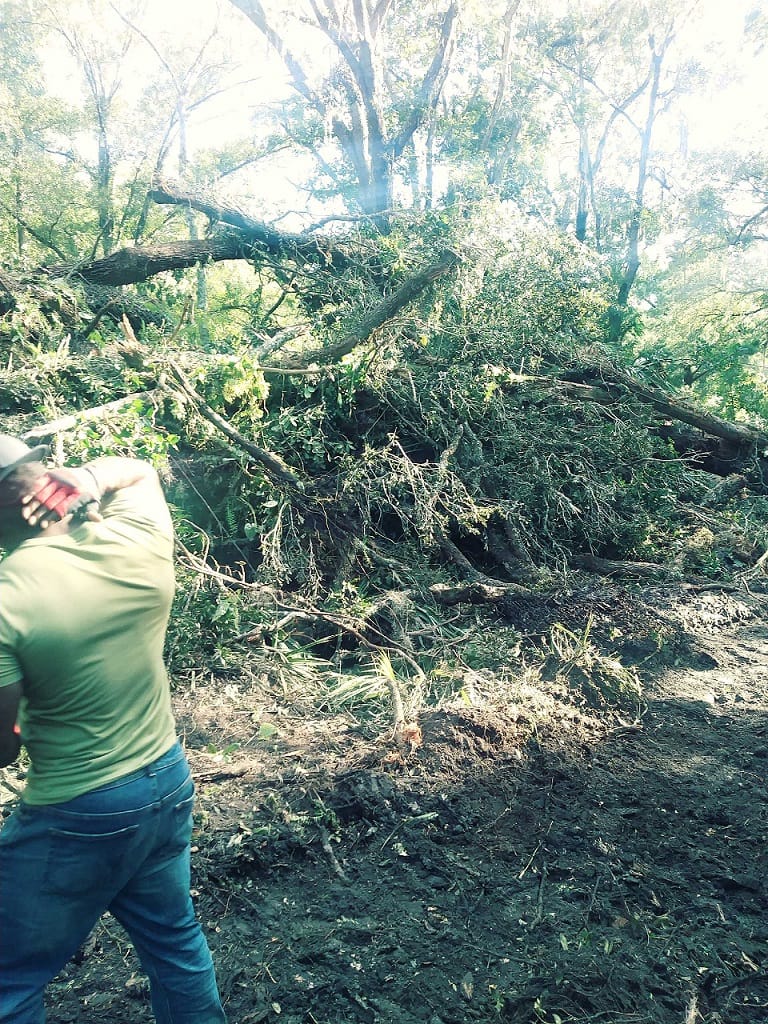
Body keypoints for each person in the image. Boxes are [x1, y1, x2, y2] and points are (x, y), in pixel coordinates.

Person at [0, 435, 227, 1024]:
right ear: (48, 480)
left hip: (77, 811)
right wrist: (91, 479)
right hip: (166, 778)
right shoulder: (135, 539)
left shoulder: (5, 599)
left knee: (9, 981)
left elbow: (2, 747)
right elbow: (141, 472)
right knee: (175, 943)